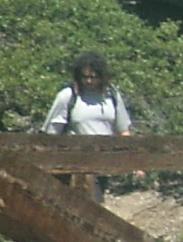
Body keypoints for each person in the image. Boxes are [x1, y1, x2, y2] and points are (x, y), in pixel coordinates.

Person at [42, 51, 134, 201]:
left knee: (95, 205)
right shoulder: (68, 96)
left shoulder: (111, 95)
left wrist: (134, 161)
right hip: (73, 165)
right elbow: (51, 135)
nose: (89, 81)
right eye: (85, 77)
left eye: (93, 77)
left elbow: (123, 130)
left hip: (103, 164)